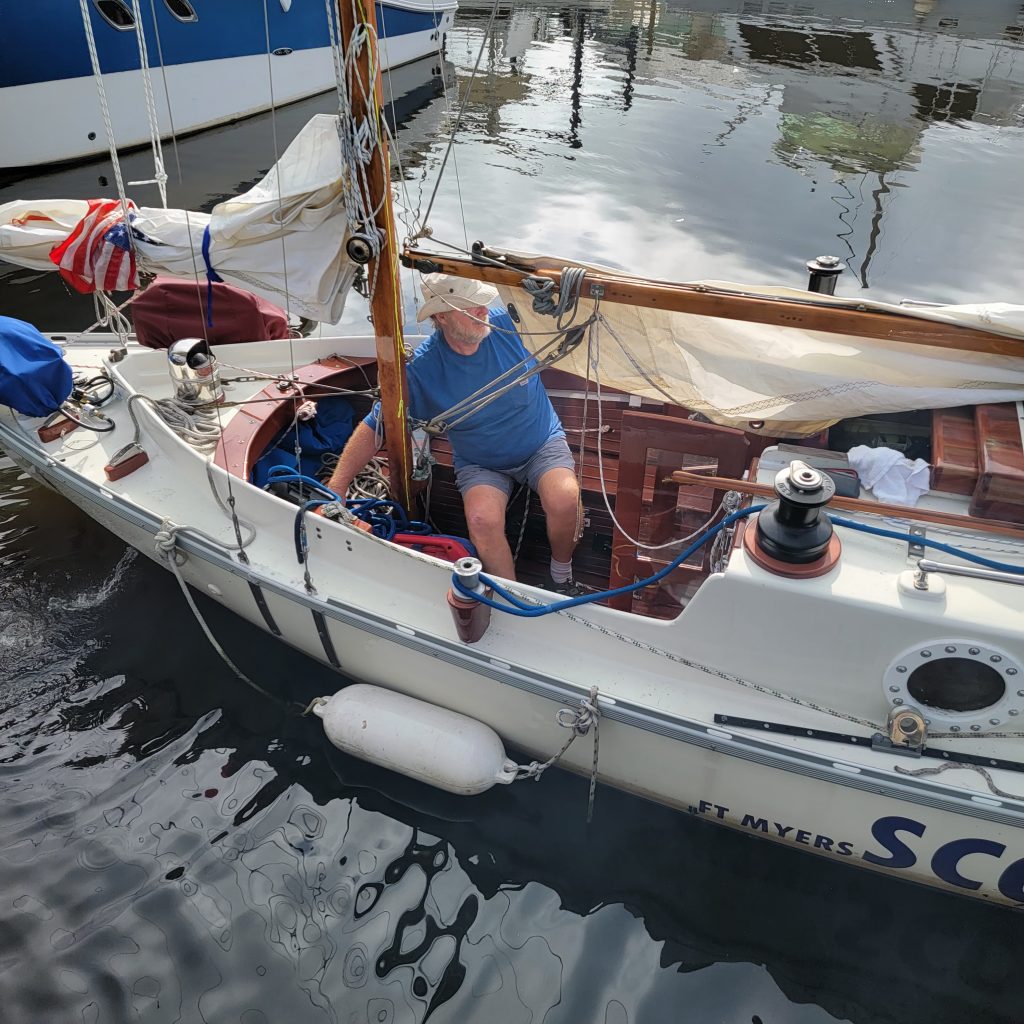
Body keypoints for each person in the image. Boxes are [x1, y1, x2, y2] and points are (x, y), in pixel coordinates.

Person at [327, 272, 585, 595]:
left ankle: (561, 574)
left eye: (482, 301)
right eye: (469, 305)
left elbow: (571, 310)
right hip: (481, 463)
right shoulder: (422, 370)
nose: (483, 309)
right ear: (441, 317)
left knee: (565, 498)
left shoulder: (513, 325)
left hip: (541, 443)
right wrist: (337, 486)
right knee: (481, 520)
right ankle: (513, 596)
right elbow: (376, 425)